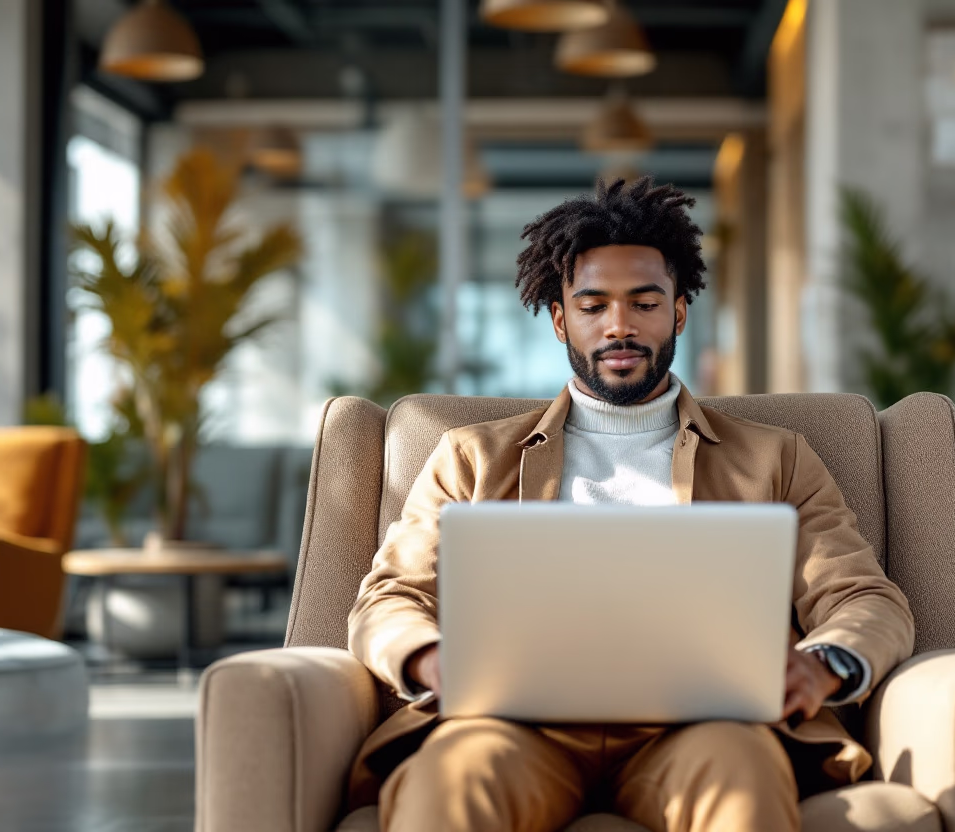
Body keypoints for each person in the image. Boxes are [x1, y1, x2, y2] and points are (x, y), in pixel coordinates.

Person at [346, 177, 915, 832]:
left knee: (742, 774)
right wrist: (428, 658)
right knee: (453, 777)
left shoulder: (777, 459)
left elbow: (864, 598)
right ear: (560, 319)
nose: (620, 326)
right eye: (593, 306)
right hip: (512, 726)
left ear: (678, 312)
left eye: (645, 303)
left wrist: (823, 666)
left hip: (703, 729)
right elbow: (388, 597)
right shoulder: (469, 458)